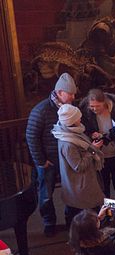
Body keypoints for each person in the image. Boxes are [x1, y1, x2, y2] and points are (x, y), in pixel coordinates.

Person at [26, 72, 78, 237]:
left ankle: (71, 219)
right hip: (48, 161)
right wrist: (41, 161)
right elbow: (31, 136)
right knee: (46, 195)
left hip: (67, 160)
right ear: (60, 92)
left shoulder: (71, 109)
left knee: (70, 191)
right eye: (70, 94)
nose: (73, 97)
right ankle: (49, 222)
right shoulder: (41, 110)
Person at [52, 103, 106, 226]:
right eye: (78, 117)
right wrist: (93, 149)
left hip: (83, 184)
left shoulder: (72, 133)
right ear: (71, 121)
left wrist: (92, 147)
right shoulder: (68, 143)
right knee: (84, 217)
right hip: (80, 186)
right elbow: (79, 166)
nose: (80, 119)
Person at [80, 88, 115, 203]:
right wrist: (91, 134)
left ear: (104, 102)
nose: (94, 109)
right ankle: (107, 215)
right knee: (104, 188)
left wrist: (107, 136)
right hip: (100, 156)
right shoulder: (86, 113)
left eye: (97, 106)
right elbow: (84, 130)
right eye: (92, 106)